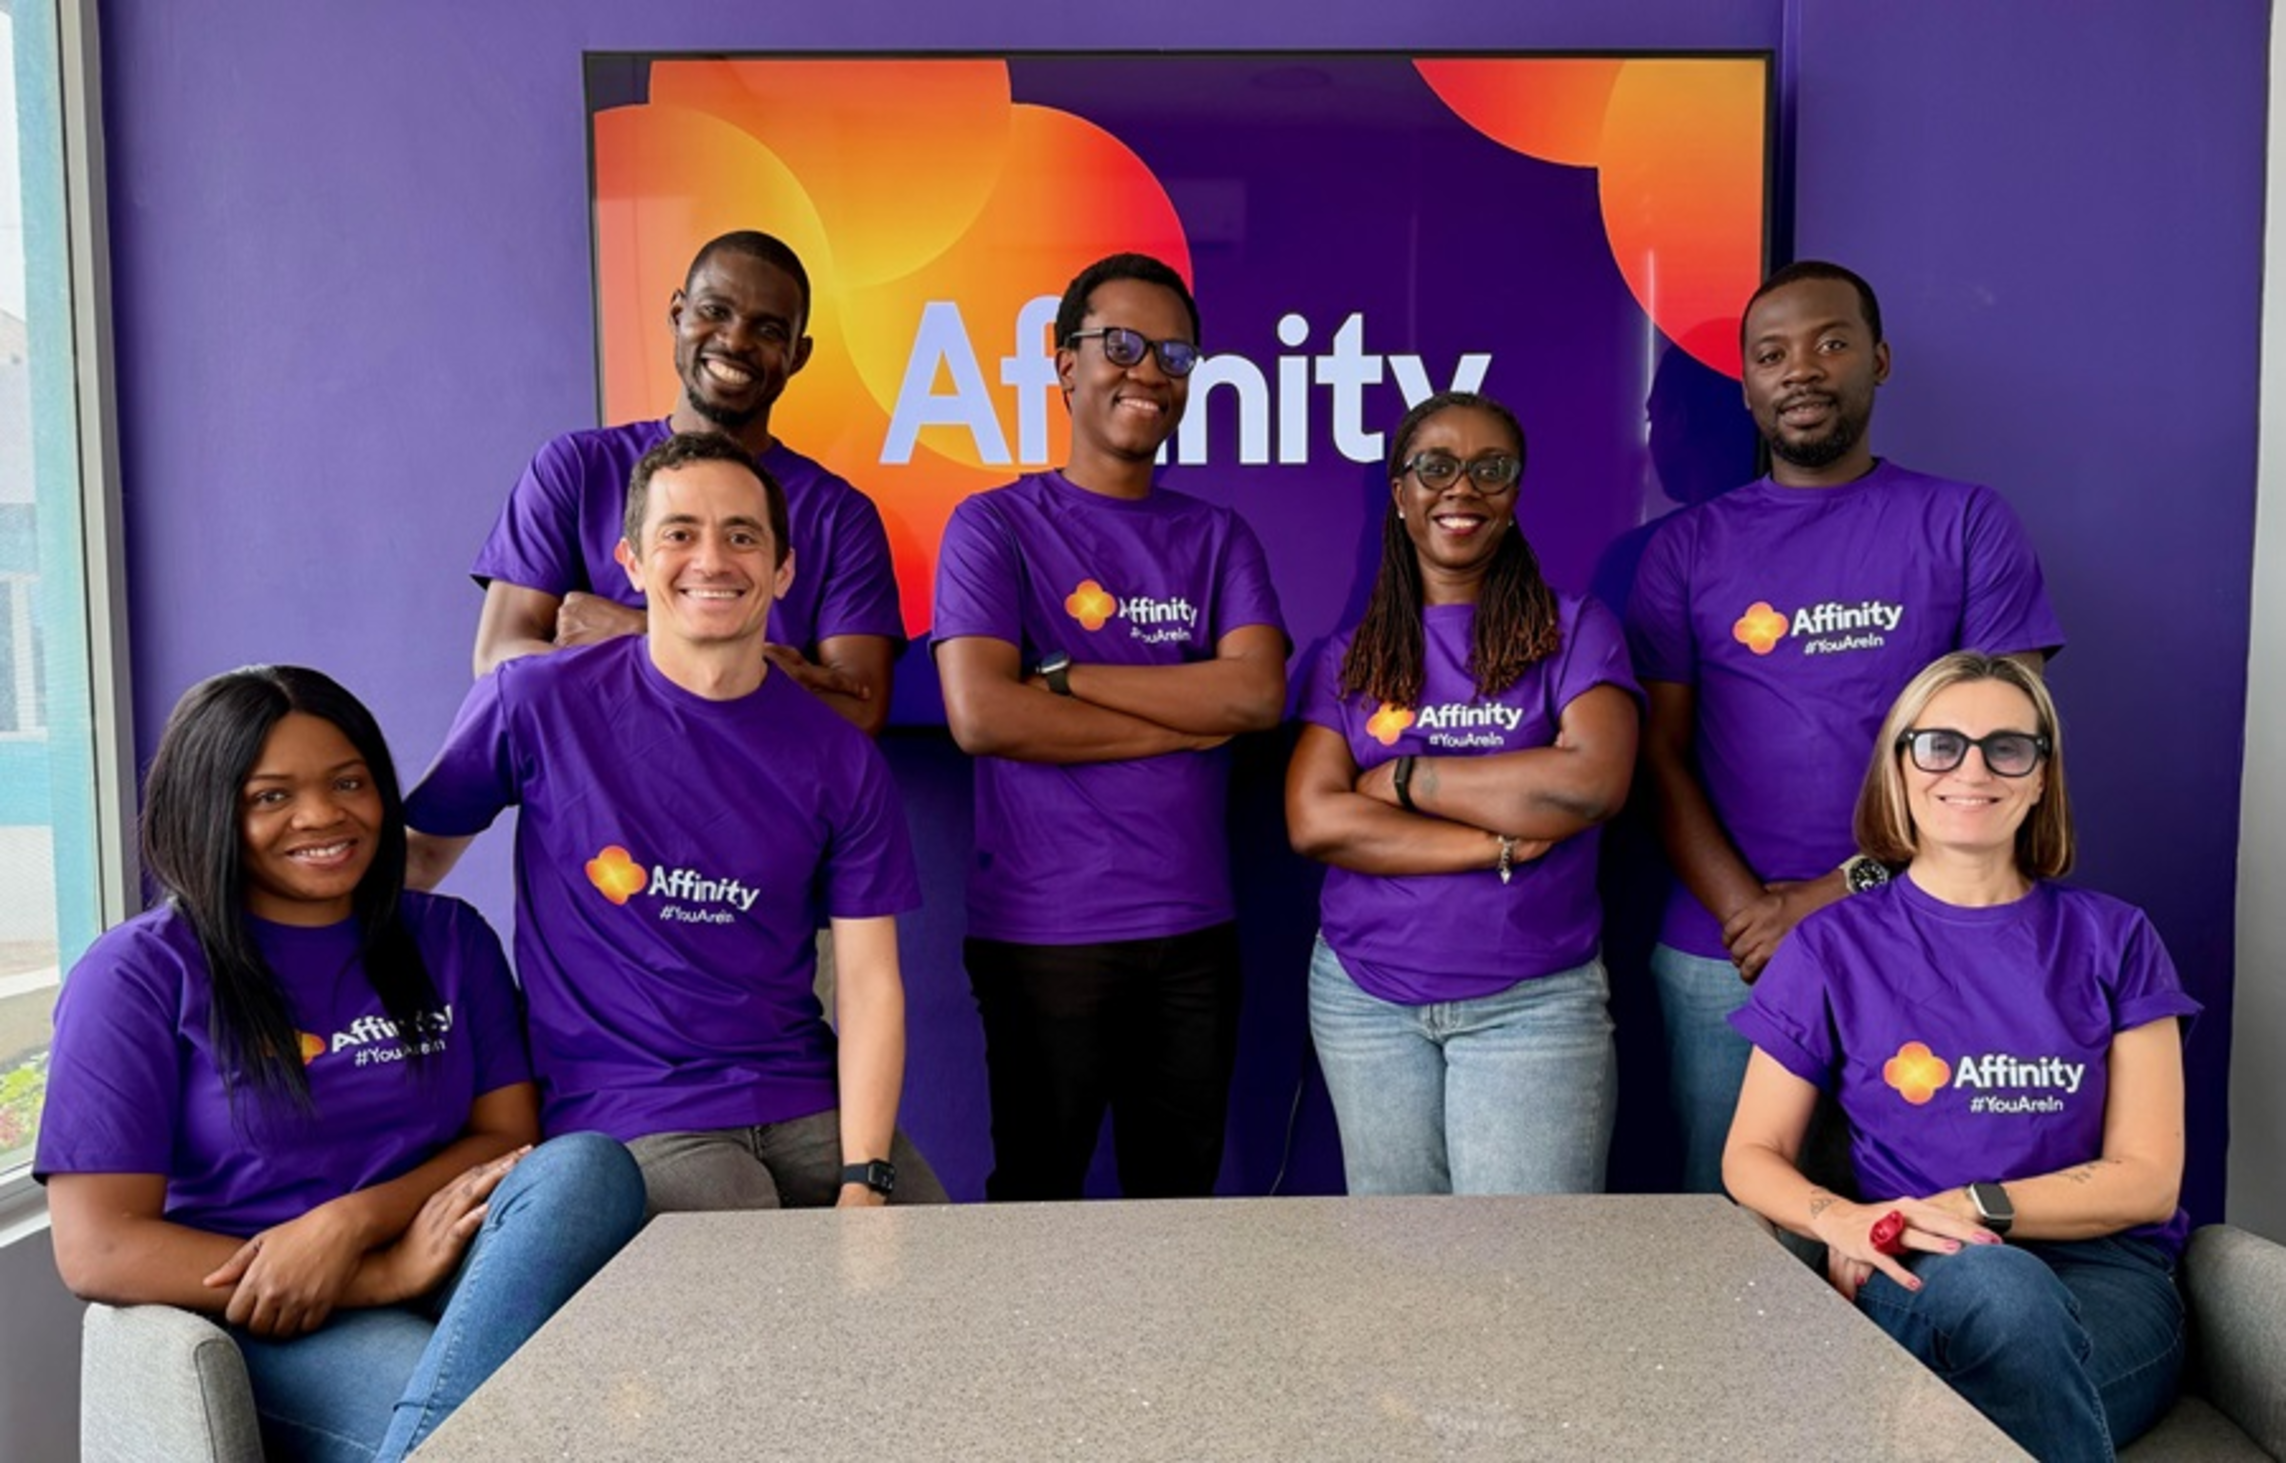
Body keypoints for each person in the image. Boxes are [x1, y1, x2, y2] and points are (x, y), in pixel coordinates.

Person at [37, 666, 644, 1462]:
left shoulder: (449, 938)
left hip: (458, 1261)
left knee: (589, 1166)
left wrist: (353, 1222)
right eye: (271, 796)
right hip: (277, 1308)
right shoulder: (137, 973)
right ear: (207, 810)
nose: (324, 814)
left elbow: (507, 1136)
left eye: (349, 781)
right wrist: (373, 1276)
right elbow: (99, 1246)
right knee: (501, 1423)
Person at [409, 430, 942, 1212]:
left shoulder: (840, 755)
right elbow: (415, 860)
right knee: (737, 1220)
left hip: (801, 1095)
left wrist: (866, 1178)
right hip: (629, 1104)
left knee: (933, 1248)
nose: (712, 560)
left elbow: (869, 984)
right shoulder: (534, 700)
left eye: (742, 536)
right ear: (631, 561)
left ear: (783, 569)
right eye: (680, 534)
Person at [1625, 260, 2066, 1193]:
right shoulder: (1686, 548)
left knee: (1915, 1228)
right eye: (1771, 354)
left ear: (1879, 359)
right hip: (1724, 956)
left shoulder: (1965, 523)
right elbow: (1657, 756)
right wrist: (1751, 916)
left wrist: (1828, 895)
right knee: (1734, 1232)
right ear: (1747, 386)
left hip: (1923, 936)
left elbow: (2007, 754)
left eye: (1830, 342)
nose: (1801, 369)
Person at [1724, 652, 2195, 1461]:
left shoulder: (2117, 938)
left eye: (2007, 748)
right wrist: (1847, 1220)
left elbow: (2149, 1179)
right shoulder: (1830, 946)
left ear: (2041, 777)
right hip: (1926, 1271)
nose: (1971, 769)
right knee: (1999, 1287)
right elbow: (1750, 1153)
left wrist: (1972, 1204)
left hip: (2108, 1282)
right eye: (1940, 745)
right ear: (1899, 768)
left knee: (1990, 1375)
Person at [933, 252, 1287, 1201]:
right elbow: (982, 713)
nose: (1149, 371)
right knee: (1036, 1206)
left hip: (1193, 931)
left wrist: (1068, 676)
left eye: (1174, 354)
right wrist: (1181, 718)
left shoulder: (1218, 536)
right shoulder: (994, 526)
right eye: (1121, 345)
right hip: (1044, 934)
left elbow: (1255, 695)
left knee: (1177, 1214)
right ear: (1066, 364)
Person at [1286, 391, 1638, 1194]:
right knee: (1400, 1258)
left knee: (1525, 1260)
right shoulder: (1349, 657)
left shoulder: (1575, 632)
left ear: (1515, 493)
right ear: (1400, 492)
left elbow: (1589, 782)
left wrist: (1407, 777)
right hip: (1365, 999)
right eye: (1436, 467)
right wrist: (1497, 841)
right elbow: (1315, 819)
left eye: (1491, 469)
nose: (1463, 488)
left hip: (1533, 1002)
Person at [470, 229, 903, 736]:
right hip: (592, 783)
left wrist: (638, 632)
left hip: (756, 786)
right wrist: (762, 668)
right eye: (715, 311)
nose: (735, 341)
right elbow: (499, 661)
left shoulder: (840, 514)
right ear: (678, 315)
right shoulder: (577, 469)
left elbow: (857, 712)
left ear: (797, 356)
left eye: (767, 330)